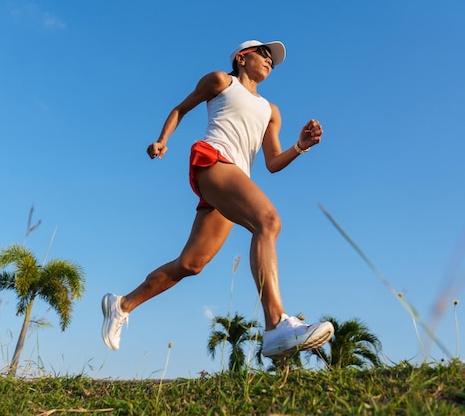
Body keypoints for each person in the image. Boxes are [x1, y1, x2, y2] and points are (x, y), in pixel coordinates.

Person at [102, 39, 334, 359]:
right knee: (268, 221)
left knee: (191, 264)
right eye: (263, 54)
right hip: (213, 161)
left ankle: (122, 304)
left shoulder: (271, 111)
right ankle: (277, 324)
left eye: (273, 60)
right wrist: (161, 140)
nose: (269, 61)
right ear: (242, 58)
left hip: (235, 179)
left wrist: (301, 146)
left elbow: (272, 162)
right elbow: (181, 108)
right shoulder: (221, 82)